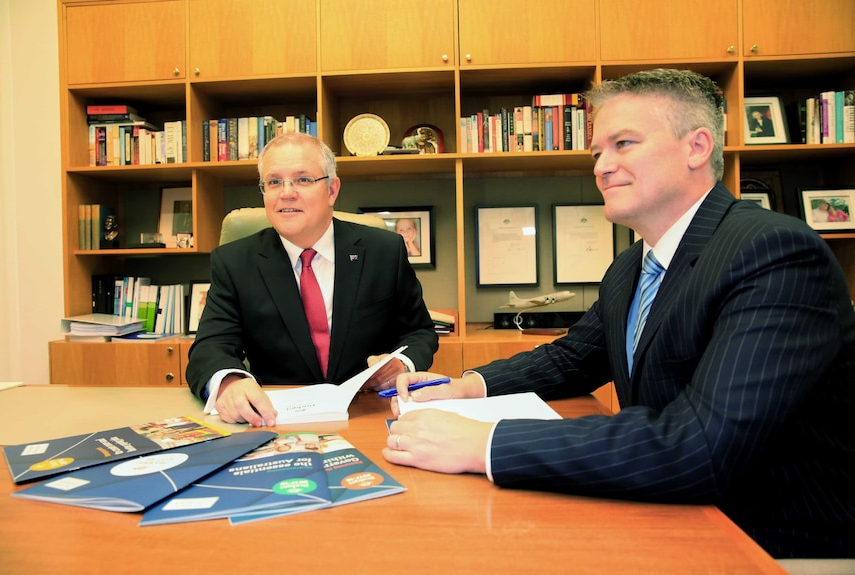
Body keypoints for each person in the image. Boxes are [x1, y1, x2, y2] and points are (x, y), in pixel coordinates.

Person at [383, 69, 855, 559]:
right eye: (595, 153)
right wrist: (468, 386)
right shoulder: (634, 263)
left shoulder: (774, 252)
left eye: (623, 143)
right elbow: (573, 358)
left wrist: (486, 442)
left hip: (774, 544)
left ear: (696, 147)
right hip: (670, 514)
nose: (601, 166)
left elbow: (700, 445)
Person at [186, 132, 438, 426]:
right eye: (274, 182)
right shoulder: (234, 262)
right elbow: (210, 347)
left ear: (332, 190)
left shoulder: (384, 251)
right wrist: (229, 382)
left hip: (367, 411)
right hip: (275, 418)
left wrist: (400, 365)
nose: (286, 193)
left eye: (303, 180)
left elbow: (419, 332)